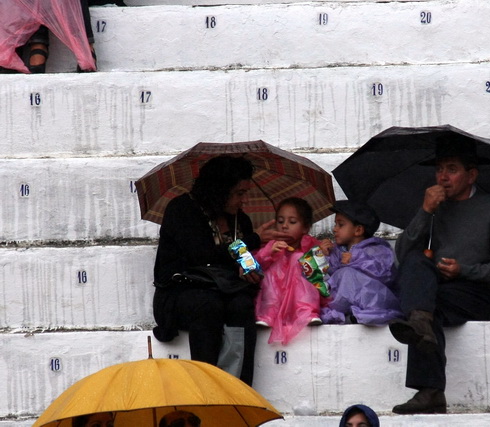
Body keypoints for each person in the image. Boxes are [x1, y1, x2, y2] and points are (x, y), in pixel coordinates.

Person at [389, 138, 490, 414]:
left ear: (471, 175)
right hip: (435, 288)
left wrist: (464, 270)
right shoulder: (433, 206)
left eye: (452, 169)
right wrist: (424, 212)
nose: (443, 177)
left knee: (424, 310)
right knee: (416, 267)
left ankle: (431, 390)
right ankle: (422, 330)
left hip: (475, 291)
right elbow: (402, 253)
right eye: (439, 170)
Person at [152, 156, 289, 386]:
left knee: (242, 304)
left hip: (225, 290)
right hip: (182, 292)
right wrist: (253, 239)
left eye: (245, 193)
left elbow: (242, 260)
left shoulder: (240, 221)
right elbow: (201, 254)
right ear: (218, 190)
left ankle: (237, 388)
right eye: (238, 193)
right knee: (208, 305)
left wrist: (248, 270)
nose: (242, 200)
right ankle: (207, 386)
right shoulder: (182, 209)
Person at [319, 200, 402, 325]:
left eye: (340, 225)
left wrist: (355, 259)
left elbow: (385, 274)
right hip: (345, 303)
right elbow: (329, 277)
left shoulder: (377, 249)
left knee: (346, 273)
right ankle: (348, 315)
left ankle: (359, 314)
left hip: (375, 304)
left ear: (358, 230)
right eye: (335, 224)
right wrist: (324, 256)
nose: (335, 229)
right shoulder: (336, 251)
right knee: (341, 275)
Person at [254, 197, 324, 345]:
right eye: (280, 221)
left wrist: (323, 252)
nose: (285, 226)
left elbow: (323, 274)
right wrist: (268, 253)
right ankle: (268, 314)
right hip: (275, 301)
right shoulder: (271, 245)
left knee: (301, 258)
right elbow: (255, 267)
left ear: (305, 227)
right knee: (274, 265)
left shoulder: (312, 245)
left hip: (300, 303)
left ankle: (307, 311)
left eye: (292, 222)